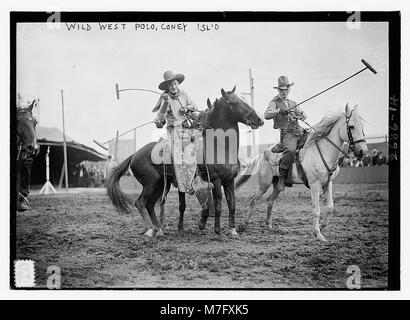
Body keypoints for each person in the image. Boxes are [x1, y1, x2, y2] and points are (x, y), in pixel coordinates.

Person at [154, 70, 198, 194]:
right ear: (167, 87)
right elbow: (161, 117)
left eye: (175, 84)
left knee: (194, 156)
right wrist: (165, 104)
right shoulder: (164, 98)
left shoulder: (184, 94)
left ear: (178, 83)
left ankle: (191, 182)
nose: (173, 87)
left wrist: (186, 108)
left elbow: (195, 106)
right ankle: (184, 187)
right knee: (178, 158)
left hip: (187, 128)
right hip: (174, 131)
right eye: (170, 85)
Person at [264, 75, 307, 191]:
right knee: (291, 150)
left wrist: (302, 116)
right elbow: (266, 115)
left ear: (289, 89)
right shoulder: (274, 102)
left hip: (299, 131)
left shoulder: (294, 103)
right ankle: (282, 177)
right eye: (281, 90)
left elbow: (304, 115)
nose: (284, 92)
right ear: (278, 90)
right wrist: (279, 111)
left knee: (314, 140)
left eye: (286, 90)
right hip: (287, 133)